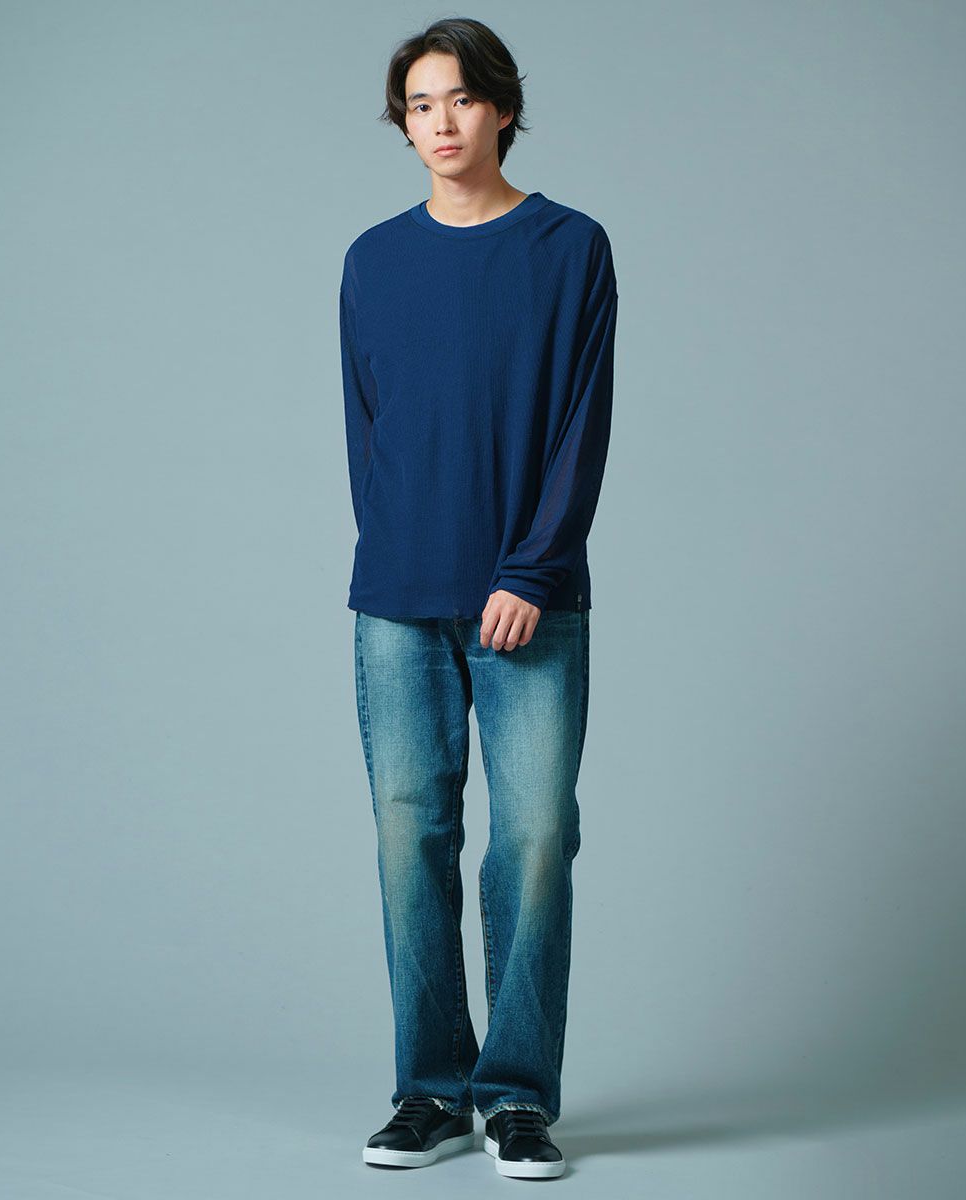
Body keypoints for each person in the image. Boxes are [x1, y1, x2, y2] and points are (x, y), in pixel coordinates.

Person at [339, 16, 618, 1180]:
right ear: (403, 124)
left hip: (529, 601)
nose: (440, 122)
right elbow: (369, 432)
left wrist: (531, 570)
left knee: (537, 840)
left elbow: (581, 422)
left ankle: (514, 1098)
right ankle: (428, 1090)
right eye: (419, 105)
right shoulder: (372, 259)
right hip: (396, 601)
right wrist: (395, 557)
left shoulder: (570, 247)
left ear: (502, 106)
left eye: (458, 98)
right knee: (410, 841)